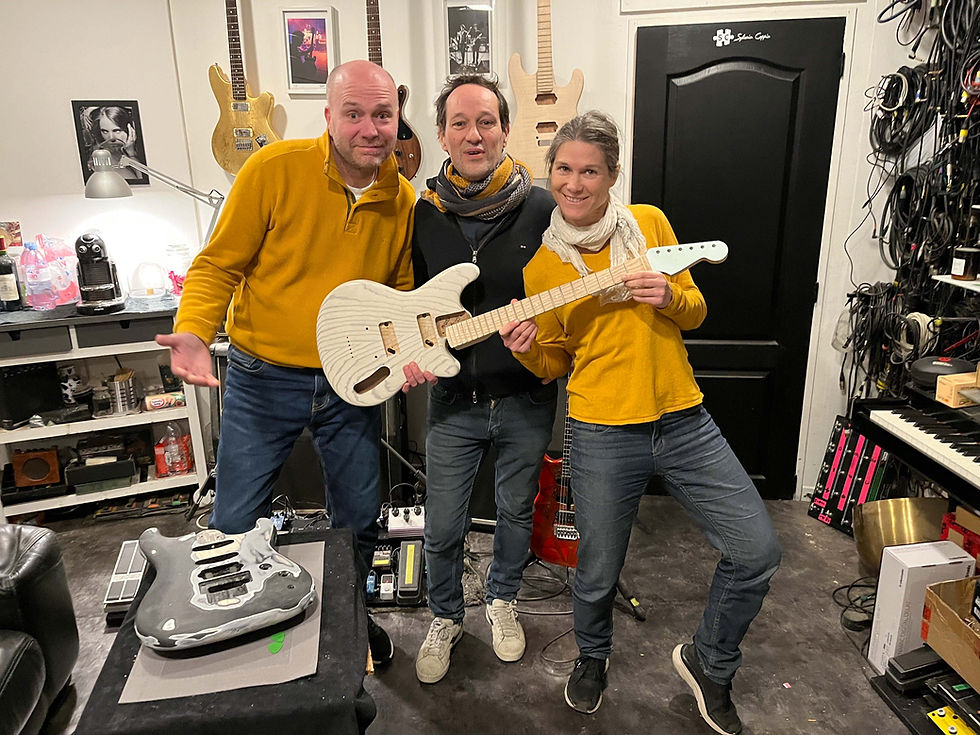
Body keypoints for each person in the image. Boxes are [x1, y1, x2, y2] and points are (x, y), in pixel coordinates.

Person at [500, 110, 781, 733]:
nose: (574, 183)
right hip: (600, 431)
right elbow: (553, 364)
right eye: (564, 169)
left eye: (589, 171)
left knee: (757, 551)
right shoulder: (541, 268)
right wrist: (525, 347)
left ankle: (710, 662)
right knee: (596, 570)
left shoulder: (648, 224)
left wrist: (670, 296)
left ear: (612, 174)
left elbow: (696, 309)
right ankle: (592, 655)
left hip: (684, 421)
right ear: (550, 172)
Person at [155, 59, 415, 666]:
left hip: (350, 383)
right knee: (233, 521)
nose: (370, 129)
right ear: (328, 116)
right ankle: (233, 635)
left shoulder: (401, 197)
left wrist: (404, 353)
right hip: (262, 379)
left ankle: (350, 623)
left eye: (383, 115)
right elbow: (217, 265)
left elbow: (397, 294)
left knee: (359, 519)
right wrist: (193, 330)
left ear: (397, 119)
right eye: (354, 114)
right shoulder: (272, 169)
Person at [401, 74, 558, 685]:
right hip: (453, 399)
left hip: (526, 397)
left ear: (505, 130)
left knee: (516, 514)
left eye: (486, 122)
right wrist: (408, 351)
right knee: (443, 525)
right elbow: (407, 301)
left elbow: (566, 291)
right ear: (441, 135)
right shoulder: (423, 214)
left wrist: (543, 331)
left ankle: (502, 600)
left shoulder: (542, 207)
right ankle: (446, 616)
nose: (474, 134)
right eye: (460, 123)